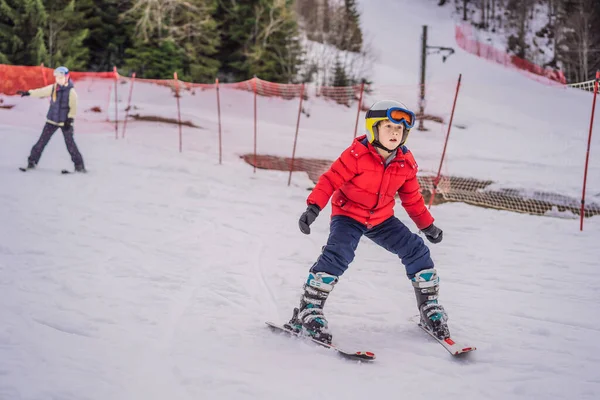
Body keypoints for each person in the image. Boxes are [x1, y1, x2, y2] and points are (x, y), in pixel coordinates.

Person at [286, 100, 448, 344]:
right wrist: (313, 207)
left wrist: (427, 226)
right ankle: (309, 309)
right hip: (348, 215)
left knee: (416, 250)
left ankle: (429, 308)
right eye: (389, 127)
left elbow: (412, 198)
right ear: (374, 129)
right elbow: (330, 180)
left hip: (382, 219)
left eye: (400, 130)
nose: (395, 134)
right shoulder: (356, 155)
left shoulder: (405, 162)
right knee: (339, 253)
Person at [17, 66, 86, 172]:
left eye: (61, 78)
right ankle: (32, 161)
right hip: (52, 120)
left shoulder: (71, 92)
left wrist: (70, 119)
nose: (59, 80)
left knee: (70, 144)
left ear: (67, 77)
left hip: (65, 122)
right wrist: (29, 93)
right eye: (57, 78)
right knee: (41, 141)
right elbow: (41, 91)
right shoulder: (54, 88)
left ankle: (79, 165)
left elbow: (74, 106)